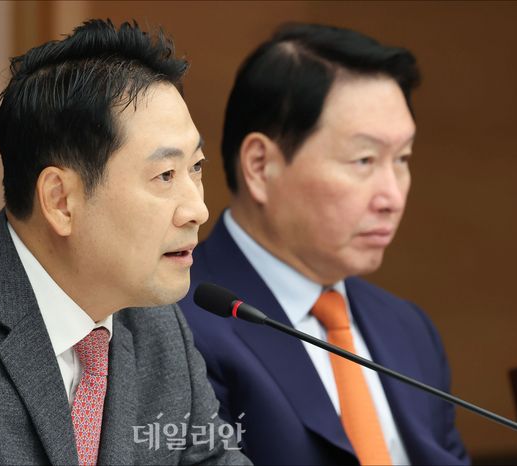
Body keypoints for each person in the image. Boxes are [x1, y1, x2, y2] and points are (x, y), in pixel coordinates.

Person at [0, 19, 251, 466]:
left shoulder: (158, 329)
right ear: (60, 200)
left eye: (196, 168)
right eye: (165, 175)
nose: (197, 209)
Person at [178, 23, 469, 465]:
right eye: (364, 160)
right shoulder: (178, 326)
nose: (392, 197)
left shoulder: (409, 330)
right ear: (260, 165)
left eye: (402, 159)